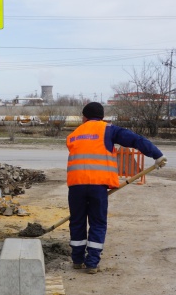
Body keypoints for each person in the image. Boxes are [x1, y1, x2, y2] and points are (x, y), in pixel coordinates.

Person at [66, 102, 166, 274]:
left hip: (76, 186)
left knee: (77, 221)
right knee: (97, 223)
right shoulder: (108, 130)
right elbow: (135, 140)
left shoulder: (74, 134)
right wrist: (157, 155)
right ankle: (92, 263)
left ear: (84, 117)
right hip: (98, 185)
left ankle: (77, 260)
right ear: (102, 117)